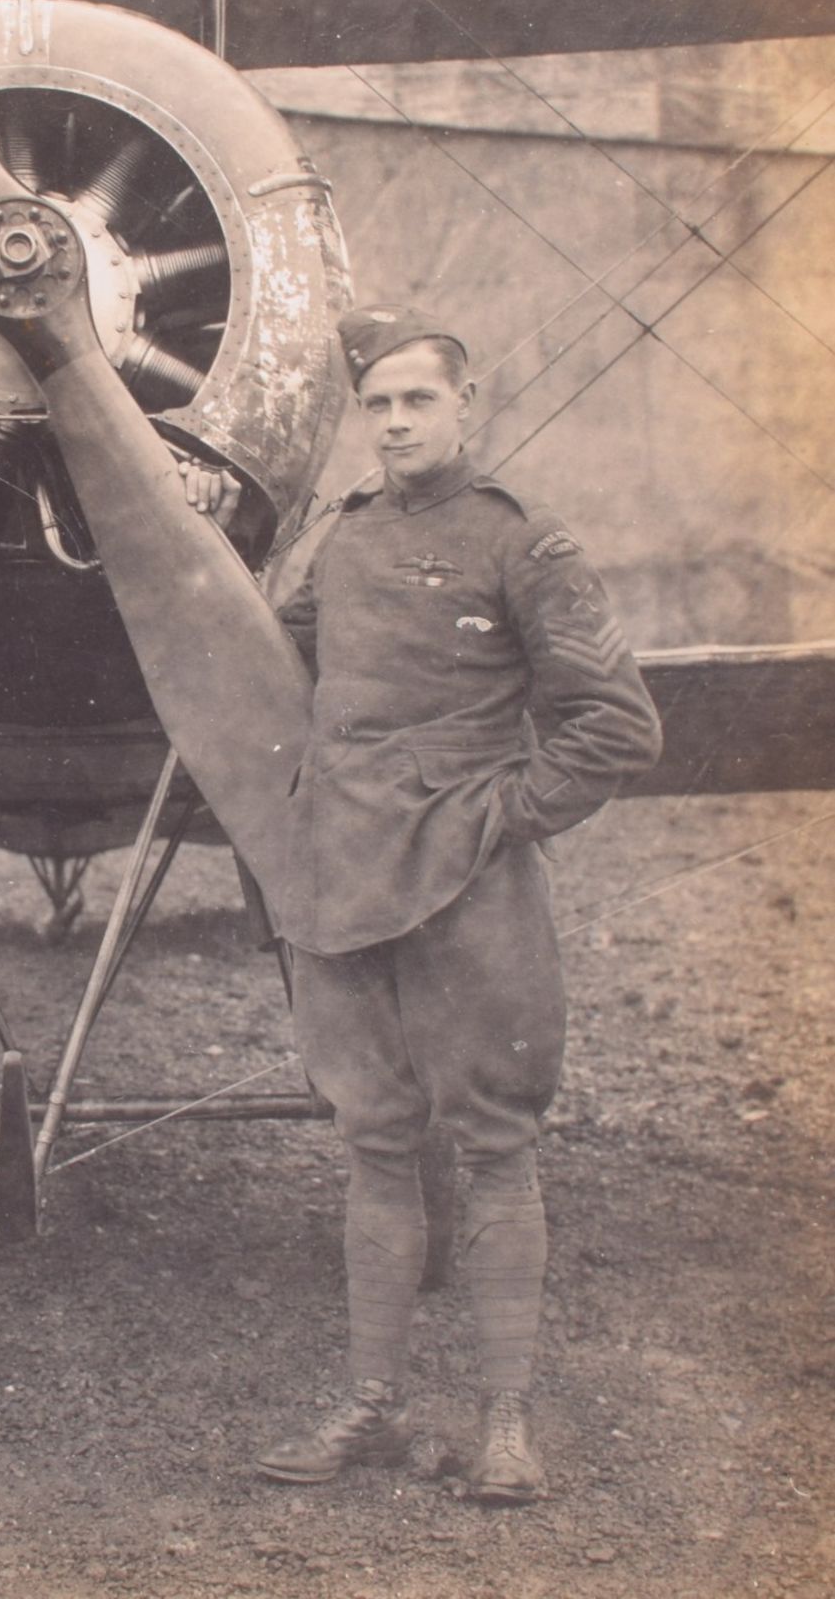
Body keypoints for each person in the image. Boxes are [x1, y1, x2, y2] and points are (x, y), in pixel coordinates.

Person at [182, 305, 662, 1502]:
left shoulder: (523, 544)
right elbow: (264, 668)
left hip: (466, 892)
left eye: (418, 401)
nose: (395, 422)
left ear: (464, 407)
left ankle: (504, 1422)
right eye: (378, 404)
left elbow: (615, 727)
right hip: (344, 889)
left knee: (494, 1149)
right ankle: (372, 1407)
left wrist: (496, 818)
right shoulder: (338, 543)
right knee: (374, 1148)